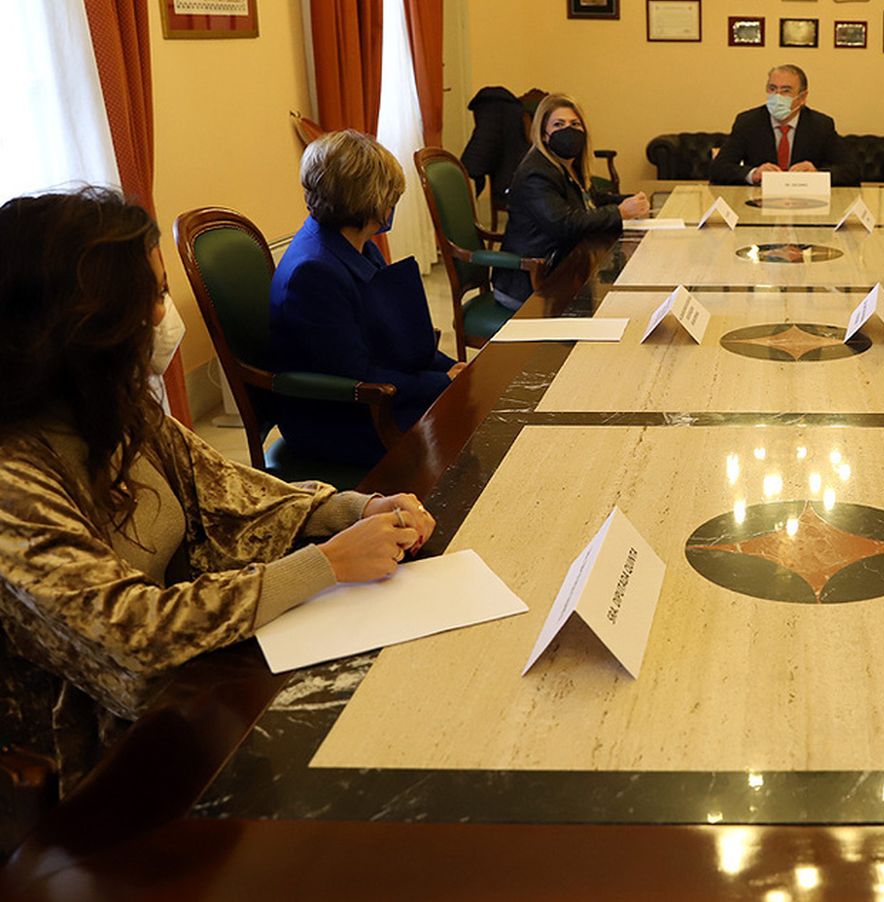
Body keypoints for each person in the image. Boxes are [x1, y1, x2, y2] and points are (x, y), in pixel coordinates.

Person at [0, 189, 437, 793]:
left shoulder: (114, 408)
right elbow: (132, 633)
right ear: (83, 322)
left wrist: (353, 508)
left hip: (200, 674)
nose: (163, 314)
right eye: (152, 295)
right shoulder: (11, 478)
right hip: (108, 742)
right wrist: (327, 564)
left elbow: (227, 487)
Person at [271, 131, 464, 467]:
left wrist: (452, 369)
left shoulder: (354, 241)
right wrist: (441, 382)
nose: (392, 204)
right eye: (390, 196)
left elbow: (391, 334)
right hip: (340, 418)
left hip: (373, 393)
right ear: (367, 199)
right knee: (465, 431)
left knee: (472, 402)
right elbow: (356, 373)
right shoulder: (313, 272)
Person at [493, 94, 649, 308]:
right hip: (531, 282)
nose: (568, 130)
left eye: (575, 124)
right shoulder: (536, 173)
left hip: (565, 266)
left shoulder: (567, 165)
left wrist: (628, 201)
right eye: (559, 124)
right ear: (544, 134)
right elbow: (563, 224)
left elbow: (590, 199)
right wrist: (619, 212)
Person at [708, 64, 858, 187]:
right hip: (758, 203)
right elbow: (718, 169)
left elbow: (852, 170)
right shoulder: (748, 122)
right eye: (772, 89)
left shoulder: (820, 125)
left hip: (807, 205)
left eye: (786, 91)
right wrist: (753, 174)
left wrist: (817, 175)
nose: (777, 96)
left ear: (803, 97)